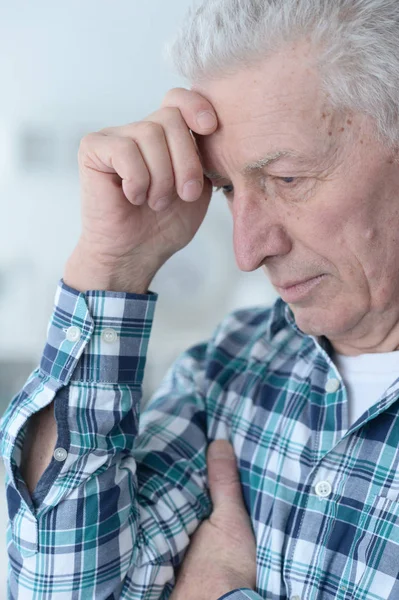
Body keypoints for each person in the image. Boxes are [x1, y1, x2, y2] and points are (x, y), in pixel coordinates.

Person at [3, 0, 399, 597]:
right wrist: (114, 266)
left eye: (287, 179)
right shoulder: (228, 367)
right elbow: (59, 586)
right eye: (227, 188)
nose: (248, 249)